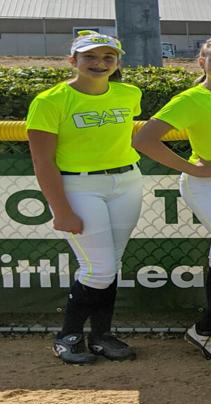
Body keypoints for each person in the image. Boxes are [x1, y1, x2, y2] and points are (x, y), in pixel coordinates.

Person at [133, 37, 211, 362]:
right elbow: (144, 139)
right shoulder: (191, 99)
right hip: (209, 186)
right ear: (201, 62)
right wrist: (193, 169)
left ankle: (206, 331)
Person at [26, 30, 143, 364]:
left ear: (117, 62)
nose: (99, 63)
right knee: (100, 268)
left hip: (126, 181)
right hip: (79, 186)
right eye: (90, 57)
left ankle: (101, 337)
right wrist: (60, 209)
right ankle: (68, 336)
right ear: (72, 60)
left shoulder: (129, 93)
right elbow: (42, 160)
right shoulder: (50, 101)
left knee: (110, 266)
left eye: (108, 57)